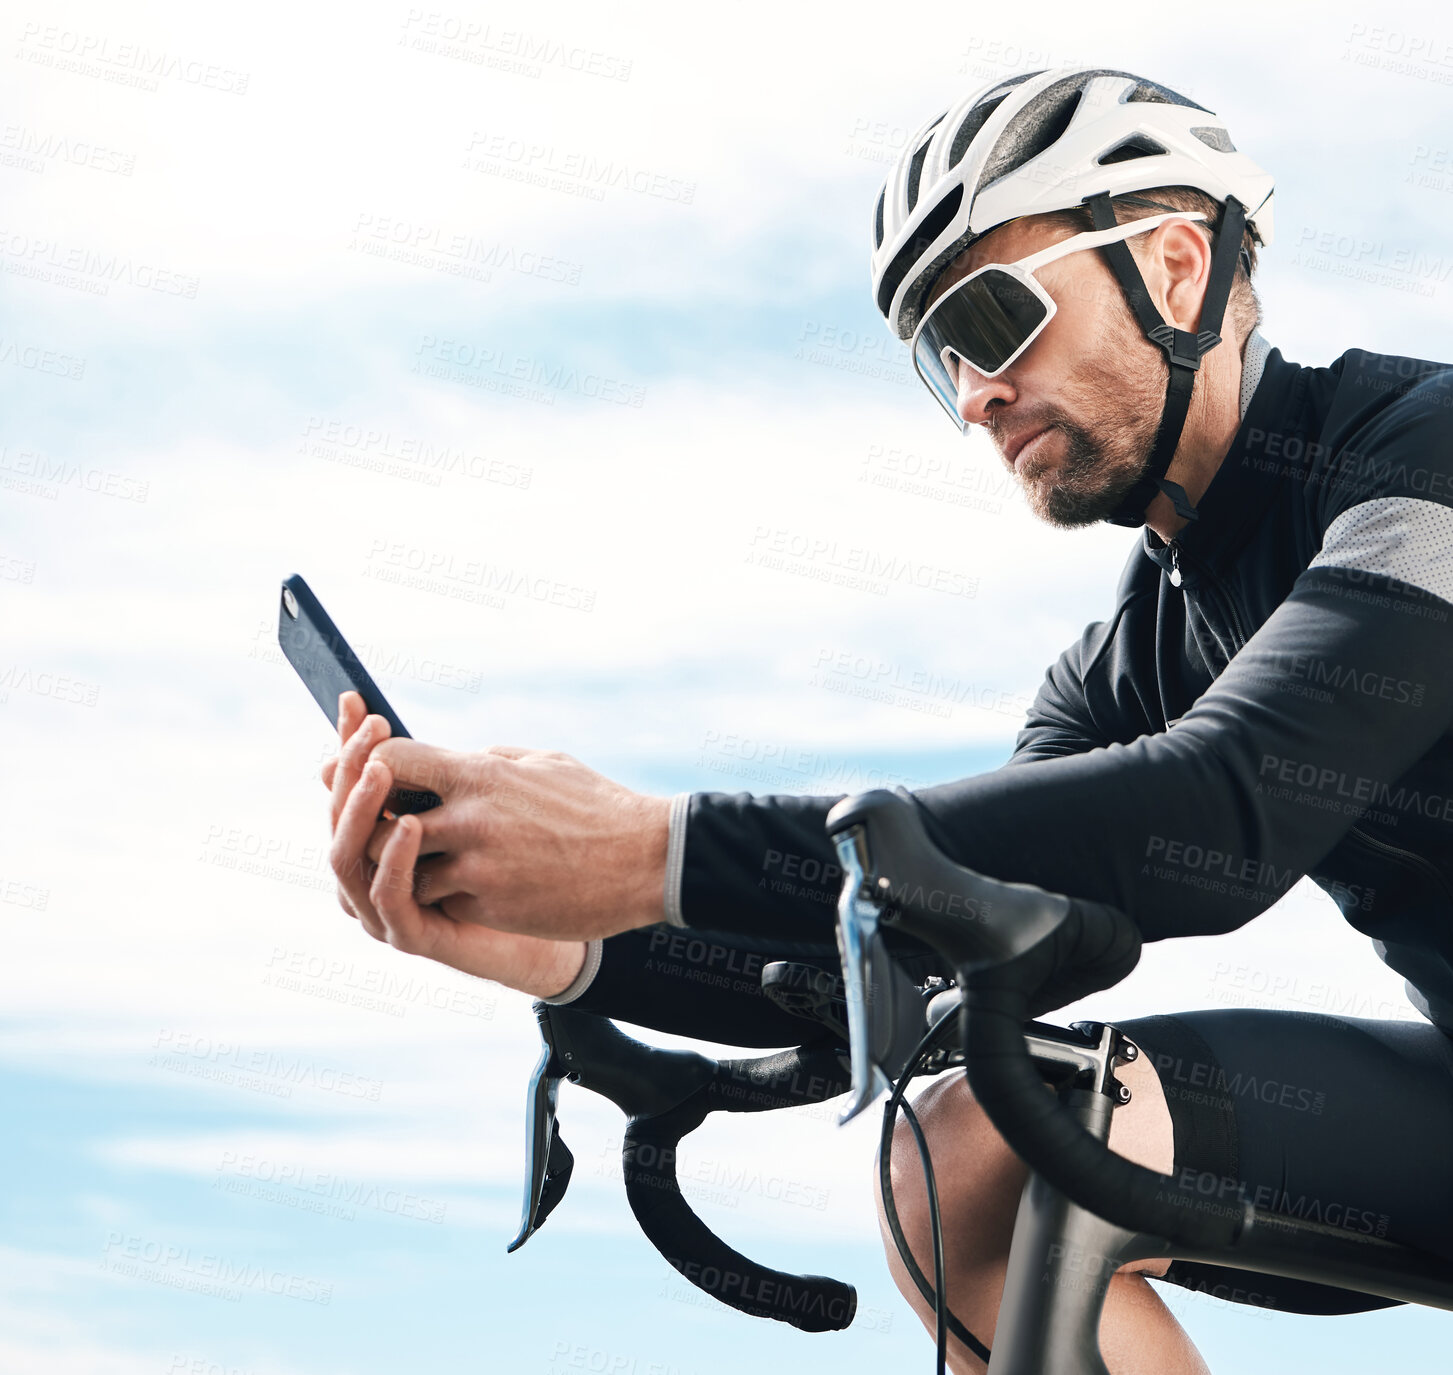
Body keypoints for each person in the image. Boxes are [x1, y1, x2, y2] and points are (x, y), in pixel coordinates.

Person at [321, 66, 1453, 1375]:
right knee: (971, 1151)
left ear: (1177, 267)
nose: (974, 394)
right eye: (942, 354)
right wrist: (574, 947)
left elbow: (1226, 809)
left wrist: (646, 847)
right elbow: (952, 939)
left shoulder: (1417, 459)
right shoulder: (1126, 664)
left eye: (993, 315)